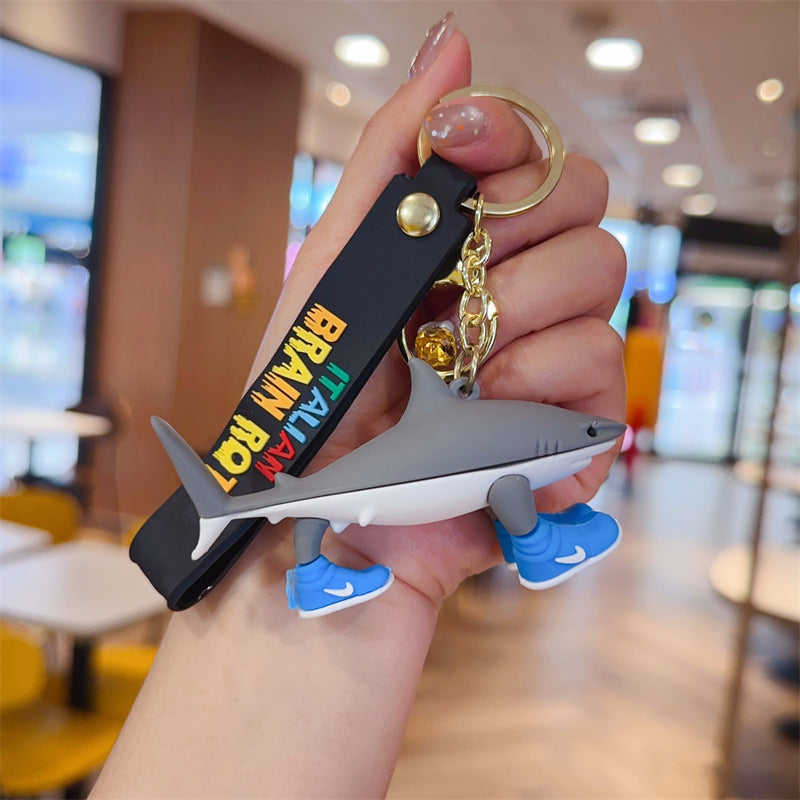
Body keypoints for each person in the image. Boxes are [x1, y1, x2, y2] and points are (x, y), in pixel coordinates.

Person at [91, 13, 625, 798]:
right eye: (590, 436)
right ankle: (526, 548)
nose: (604, 437)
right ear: (562, 443)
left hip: (351, 483)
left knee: (318, 496)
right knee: (352, 490)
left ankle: (313, 575)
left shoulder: (439, 449)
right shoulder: (520, 460)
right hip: (342, 460)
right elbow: (511, 487)